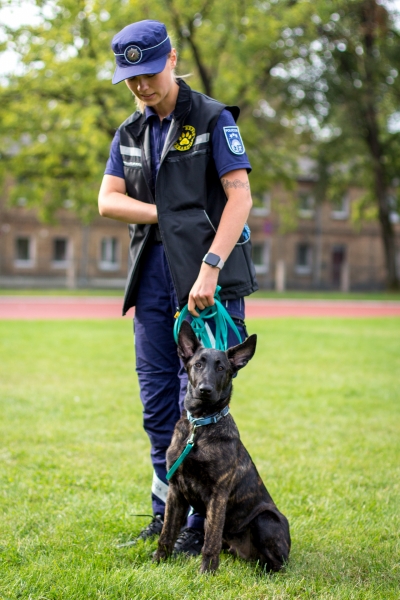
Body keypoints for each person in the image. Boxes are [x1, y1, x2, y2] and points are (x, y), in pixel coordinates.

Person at [98, 19, 258, 555]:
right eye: (130, 78)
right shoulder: (129, 132)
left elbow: (240, 200)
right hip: (152, 280)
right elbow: (108, 200)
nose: (140, 86)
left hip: (208, 278)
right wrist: (166, 216)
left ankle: (196, 529)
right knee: (156, 404)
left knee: (206, 401)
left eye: (147, 73)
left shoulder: (212, 119)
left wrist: (210, 267)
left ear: (170, 61)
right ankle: (164, 512)